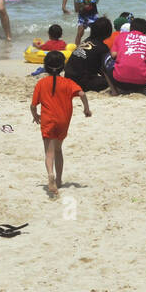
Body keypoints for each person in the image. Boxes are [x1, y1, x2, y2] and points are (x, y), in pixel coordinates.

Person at [31, 50, 91, 196]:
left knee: (49, 152)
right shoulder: (68, 83)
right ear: (62, 66)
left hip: (48, 120)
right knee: (58, 150)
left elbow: (33, 105)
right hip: (63, 121)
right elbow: (82, 93)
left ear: (45, 66)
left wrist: (35, 115)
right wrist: (86, 109)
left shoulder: (41, 83)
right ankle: (59, 180)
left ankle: (50, 174)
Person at [107, 17, 146, 94]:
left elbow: (113, 55)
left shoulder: (121, 36)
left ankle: (114, 91)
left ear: (131, 28)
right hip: (142, 84)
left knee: (106, 57)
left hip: (120, 82)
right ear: (145, 31)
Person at [65, 17, 112, 92]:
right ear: (108, 32)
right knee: (110, 81)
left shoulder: (86, 41)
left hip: (68, 77)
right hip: (79, 82)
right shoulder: (102, 48)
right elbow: (105, 69)